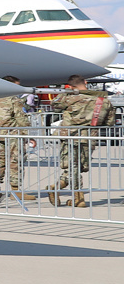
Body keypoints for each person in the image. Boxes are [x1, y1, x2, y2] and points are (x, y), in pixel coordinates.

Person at [50, 74, 117, 208]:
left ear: (70, 86)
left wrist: (65, 92)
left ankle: (57, 188)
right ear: (85, 82)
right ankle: (77, 197)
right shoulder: (103, 100)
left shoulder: (70, 98)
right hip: (88, 137)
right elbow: (110, 123)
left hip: (69, 136)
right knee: (77, 167)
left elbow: (54, 105)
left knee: (72, 167)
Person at [0, 77, 30, 207]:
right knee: (15, 162)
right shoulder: (13, 99)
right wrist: (26, 134)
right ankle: (16, 191)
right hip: (12, 135)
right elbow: (21, 118)